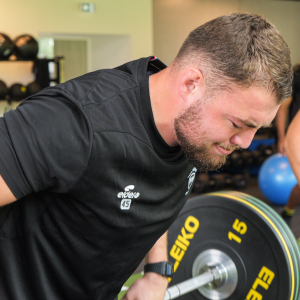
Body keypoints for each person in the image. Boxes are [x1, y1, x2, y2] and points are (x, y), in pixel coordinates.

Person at [0, 13, 292, 300]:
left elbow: (158, 191)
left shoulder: (191, 131)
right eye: (238, 124)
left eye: (258, 128)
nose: (245, 142)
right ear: (191, 84)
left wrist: (157, 270)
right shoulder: (76, 123)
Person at [276, 65, 300, 226]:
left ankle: (287, 212)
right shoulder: (297, 75)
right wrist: (282, 138)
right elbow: (283, 107)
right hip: (296, 135)